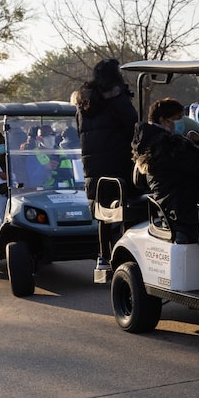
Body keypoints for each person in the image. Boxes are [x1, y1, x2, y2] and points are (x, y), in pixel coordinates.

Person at [74, 58, 140, 272]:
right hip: (118, 163)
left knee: (103, 212)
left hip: (93, 170)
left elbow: (79, 132)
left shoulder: (84, 103)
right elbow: (133, 127)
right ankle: (128, 253)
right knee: (129, 208)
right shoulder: (117, 97)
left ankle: (103, 256)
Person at [131, 98, 199, 243]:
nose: (181, 122)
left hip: (170, 208)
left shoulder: (148, 144)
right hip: (184, 211)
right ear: (163, 120)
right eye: (178, 118)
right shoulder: (170, 146)